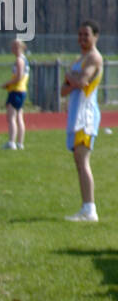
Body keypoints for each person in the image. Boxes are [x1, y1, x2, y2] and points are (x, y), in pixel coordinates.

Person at [62, 20, 103, 221]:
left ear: (95, 36)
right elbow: (64, 89)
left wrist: (71, 77)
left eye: (86, 35)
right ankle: (85, 206)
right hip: (74, 114)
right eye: (80, 34)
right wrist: (72, 78)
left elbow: (81, 81)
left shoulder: (94, 58)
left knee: (83, 159)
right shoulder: (79, 60)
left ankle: (90, 209)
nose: (82, 38)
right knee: (78, 161)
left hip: (85, 115)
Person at [2, 38, 29, 149]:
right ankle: (20, 143)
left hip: (16, 90)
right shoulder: (24, 59)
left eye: (14, 47)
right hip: (21, 90)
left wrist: (7, 83)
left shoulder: (19, 60)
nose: (12, 49)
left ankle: (12, 142)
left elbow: (19, 77)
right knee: (19, 116)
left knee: (12, 117)